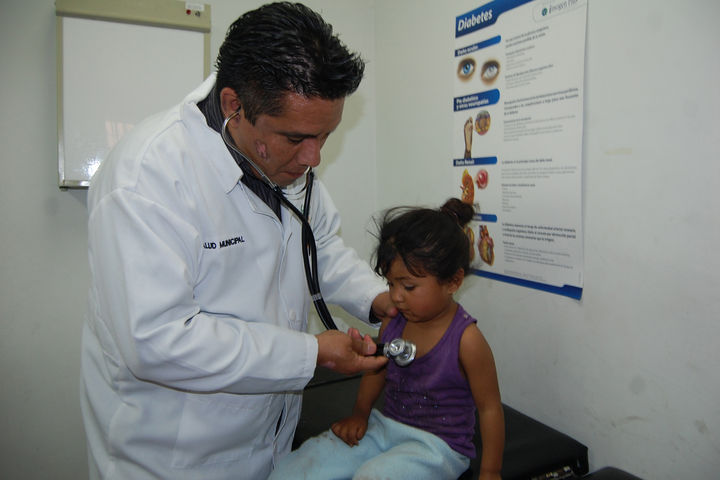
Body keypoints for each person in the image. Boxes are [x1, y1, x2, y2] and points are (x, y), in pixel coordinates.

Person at [80, 3, 396, 479]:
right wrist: (311, 353)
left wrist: (380, 300)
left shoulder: (284, 161)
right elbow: (156, 341)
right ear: (234, 106)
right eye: (297, 138)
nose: (313, 157)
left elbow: (317, 246)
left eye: (325, 135)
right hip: (174, 458)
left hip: (270, 440)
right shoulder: (147, 179)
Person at [269, 198, 505, 480]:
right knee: (300, 466)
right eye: (391, 283)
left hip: (439, 447)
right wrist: (360, 414)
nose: (395, 296)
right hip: (386, 429)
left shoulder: (467, 340)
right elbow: (377, 369)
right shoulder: (394, 320)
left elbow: (489, 408)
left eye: (409, 286)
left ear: (453, 282)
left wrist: (490, 471)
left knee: (374, 476)